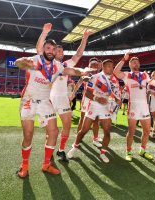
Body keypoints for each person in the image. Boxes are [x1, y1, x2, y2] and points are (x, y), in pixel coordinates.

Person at [15, 36, 92, 178]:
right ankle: (24, 165)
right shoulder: (36, 60)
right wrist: (22, 61)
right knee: (28, 134)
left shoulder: (58, 66)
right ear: (43, 49)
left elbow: (72, 71)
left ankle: (46, 165)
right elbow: (18, 63)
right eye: (48, 48)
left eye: (53, 49)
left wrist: (81, 72)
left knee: (54, 132)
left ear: (56, 52)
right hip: (29, 100)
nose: (50, 51)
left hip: (45, 101)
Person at [36, 23, 91, 162]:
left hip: (63, 99)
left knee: (67, 125)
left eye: (61, 51)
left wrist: (84, 38)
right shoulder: (47, 63)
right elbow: (39, 50)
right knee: (50, 131)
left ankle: (61, 150)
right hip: (49, 99)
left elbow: (78, 54)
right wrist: (44, 33)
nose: (60, 53)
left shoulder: (66, 65)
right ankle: (49, 149)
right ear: (53, 53)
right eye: (57, 51)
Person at [67, 59, 121, 163]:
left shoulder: (114, 80)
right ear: (104, 67)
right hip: (94, 105)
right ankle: (75, 147)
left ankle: (103, 153)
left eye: (112, 66)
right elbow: (87, 93)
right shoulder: (95, 77)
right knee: (84, 130)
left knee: (107, 131)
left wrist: (118, 101)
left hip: (105, 107)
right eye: (109, 66)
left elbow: (116, 95)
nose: (112, 68)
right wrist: (97, 98)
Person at [113, 52, 153, 161]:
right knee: (131, 132)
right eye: (133, 62)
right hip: (133, 107)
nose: (135, 64)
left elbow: (152, 84)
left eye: (137, 62)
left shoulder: (145, 75)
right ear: (130, 65)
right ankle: (128, 151)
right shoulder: (127, 75)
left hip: (144, 107)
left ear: (139, 64)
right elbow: (115, 72)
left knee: (146, 131)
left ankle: (142, 150)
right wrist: (124, 59)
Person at [73, 58, 102, 148]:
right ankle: (78, 138)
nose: (94, 68)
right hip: (86, 99)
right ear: (89, 67)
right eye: (92, 66)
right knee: (82, 119)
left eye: (96, 66)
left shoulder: (100, 76)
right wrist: (72, 94)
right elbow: (78, 84)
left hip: (96, 100)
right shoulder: (85, 74)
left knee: (96, 121)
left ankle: (95, 139)